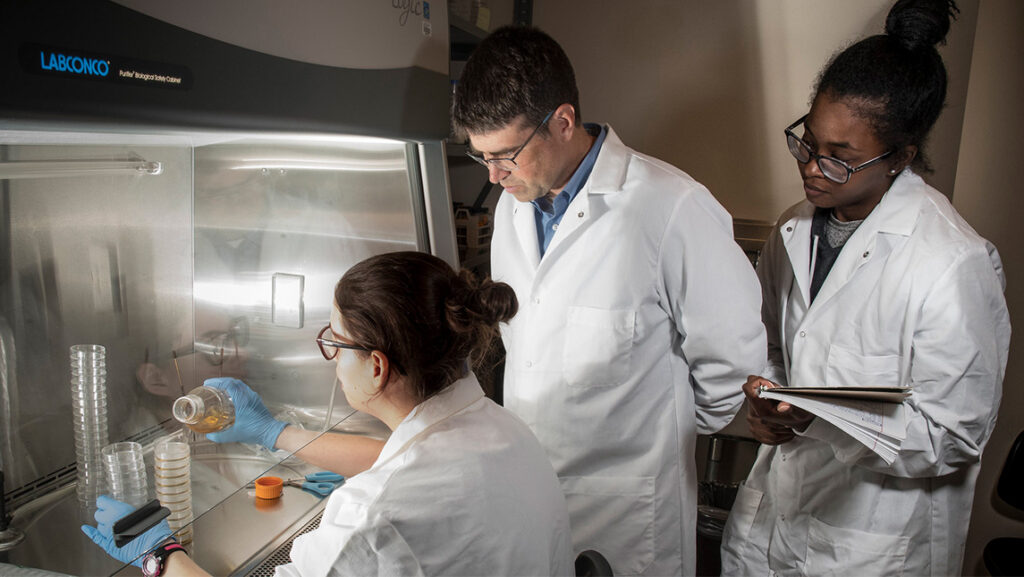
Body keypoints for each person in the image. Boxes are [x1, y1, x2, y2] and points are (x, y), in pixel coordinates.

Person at [452, 26, 767, 576]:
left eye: (506, 155)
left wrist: (664, 442)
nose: (493, 176)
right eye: (480, 157)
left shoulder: (671, 206)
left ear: (563, 121)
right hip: (530, 497)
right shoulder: (512, 209)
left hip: (626, 517)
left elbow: (731, 364)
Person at [719, 1, 1011, 575]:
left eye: (840, 158)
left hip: (873, 543)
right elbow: (775, 350)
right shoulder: (792, 228)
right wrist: (766, 406)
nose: (811, 168)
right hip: (775, 516)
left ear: (900, 158)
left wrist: (819, 419)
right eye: (808, 142)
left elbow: (953, 436)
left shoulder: (952, 262)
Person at [83, 251, 575, 576]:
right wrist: (275, 432)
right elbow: (401, 460)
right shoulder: (503, 430)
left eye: (335, 343)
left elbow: (395, 483)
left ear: (377, 367)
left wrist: (157, 554)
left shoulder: (372, 516)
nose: (333, 357)